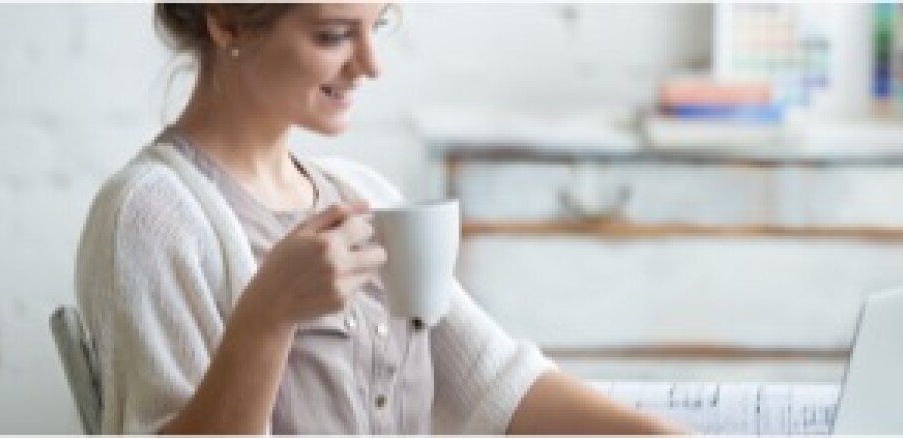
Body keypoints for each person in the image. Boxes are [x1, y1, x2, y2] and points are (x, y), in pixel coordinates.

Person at [73, 3, 686, 435]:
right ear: (228, 21)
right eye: (334, 35)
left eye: (378, 27)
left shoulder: (363, 193)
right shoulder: (153, 215)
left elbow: (497, 386)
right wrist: (267, 318)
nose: (371, 65)